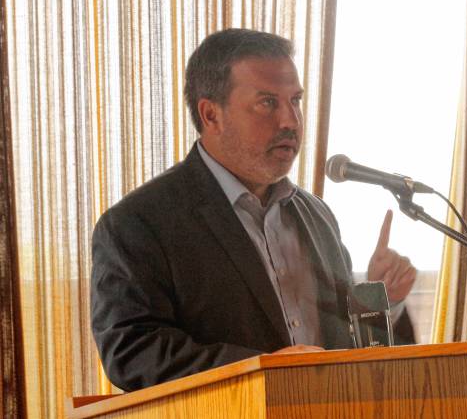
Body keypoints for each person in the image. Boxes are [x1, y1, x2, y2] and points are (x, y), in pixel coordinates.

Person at [90, 29, 417, 392]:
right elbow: (132, 351)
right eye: (268, 103)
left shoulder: (316, 215)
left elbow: (342, 345)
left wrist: (381, 302)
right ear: (211, 114)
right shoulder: (139, 223)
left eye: (295, 100)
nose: (290, 121)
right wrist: (259, 370)